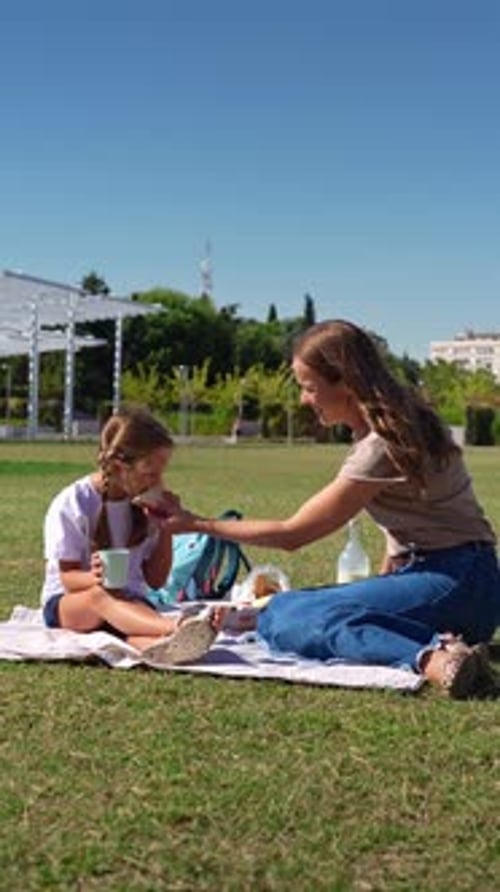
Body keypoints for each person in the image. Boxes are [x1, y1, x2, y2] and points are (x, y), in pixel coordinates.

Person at [159, 320, 500, 697]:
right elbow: (401, 537)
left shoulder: (379, 447)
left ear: (346, 383)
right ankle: (449, 646)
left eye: (309, 387)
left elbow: (294, 534)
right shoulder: (406, 423)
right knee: (289, 605)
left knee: (287, 615)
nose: (305, 400)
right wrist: (382, 588)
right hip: (472, 584)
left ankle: (434, 659)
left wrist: (195, 523)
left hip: (453, 581)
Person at [41, 406, 223, 664]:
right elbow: (68, 578)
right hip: (70, 604)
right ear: (118, 466)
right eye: (150, 473)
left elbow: (156, 580)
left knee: (132, 622)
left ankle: (171, 645)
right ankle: (177, 625)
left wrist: (165, 529)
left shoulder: (144, 506)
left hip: (127, 602)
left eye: (161, 473)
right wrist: (93, 577)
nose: (158, 481)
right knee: (101, 597)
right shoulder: (75, 502)